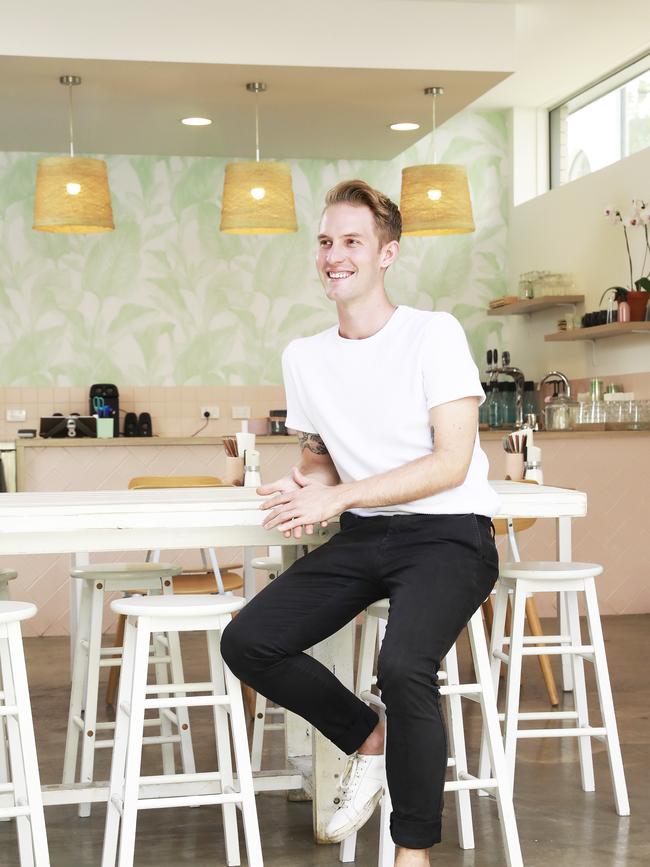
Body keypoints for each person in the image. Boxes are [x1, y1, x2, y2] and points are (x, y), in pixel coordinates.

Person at [221, 179, 500, 867]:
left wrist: (337, 497)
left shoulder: (434, 333)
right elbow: (319, 459)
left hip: (449, 530)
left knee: (403, 664)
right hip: (368, 534)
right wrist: (306, 483)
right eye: (324, 242)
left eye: (352, 241)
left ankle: (413, 851)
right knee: (249, 641)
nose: (333, 255)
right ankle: (367, 736)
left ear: (386, 254)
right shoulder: (303, 357)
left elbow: (450, 461)